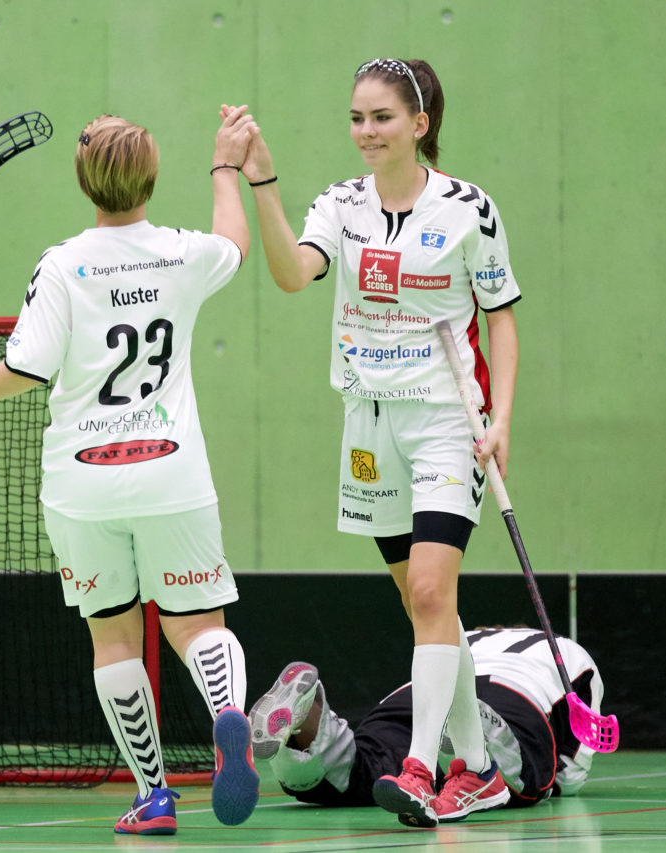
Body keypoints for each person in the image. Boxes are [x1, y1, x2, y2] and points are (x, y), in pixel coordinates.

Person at [0, 111, 258, 835]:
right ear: (152, 174)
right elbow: (236, 242)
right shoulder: (181, 253)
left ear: (85, 181)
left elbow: (25, 367)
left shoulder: (64, 264)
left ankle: (154, 793)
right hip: (173, 474)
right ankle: (228, 712)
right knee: (198, 623)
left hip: (84, 483)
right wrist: (225, 167)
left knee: (113, 638)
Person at [235, 57, 523, 828]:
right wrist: (262, 185)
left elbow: (501, 313)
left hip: (445, 421)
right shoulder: (340, 205)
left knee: (432, 592)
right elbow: (295, 274)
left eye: (383, 118)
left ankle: (424, 767)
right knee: (419, 601)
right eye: (358, 118)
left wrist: (500, 419)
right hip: (370, 423)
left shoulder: (468, 210)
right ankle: (484, 769)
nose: (366, 131)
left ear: (419, 124)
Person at [248, 627, 605, 816]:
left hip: (416, 695)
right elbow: (572, 772)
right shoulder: (567, 651)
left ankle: (309, 733)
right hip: (512, 697)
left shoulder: (463, 631)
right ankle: (477, 737)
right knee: (525, 779)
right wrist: (556, 781)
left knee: (362, 768)